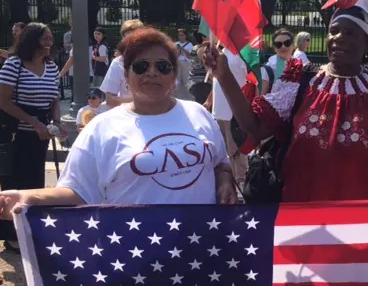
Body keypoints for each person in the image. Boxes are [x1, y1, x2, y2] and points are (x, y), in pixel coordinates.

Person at [0, 28, 236, 227]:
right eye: (141, 66)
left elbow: (220, 163)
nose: (152, 72)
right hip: (133, 255)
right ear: (126, 74)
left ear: (174, 75)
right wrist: (26, 197)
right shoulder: (101, 129)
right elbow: (77, 193)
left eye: (163, 66)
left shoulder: (199, 113)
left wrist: (225, 180)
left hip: (201, 250)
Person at [208, 0, 368, 203]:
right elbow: (255, 128)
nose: (338, 37)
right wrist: (224, 75)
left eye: (350, 33)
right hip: (308, 227)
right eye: (333, 31)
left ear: (367, 44)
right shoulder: (300, 80)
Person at [0, 23, 65, 253]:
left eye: (50, 38)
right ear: (31, 40)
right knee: (14, 182)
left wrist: (56, 123)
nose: (49, 43)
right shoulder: (13, 65)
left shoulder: (51, 66)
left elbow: (55, 99)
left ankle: (30, 228)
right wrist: (33, 122)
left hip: (40, 135)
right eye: (44, 38)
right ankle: (10, 234)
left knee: (35, 181)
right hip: (17, 133)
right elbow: (4, 101)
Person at [205, 44, 249, 189]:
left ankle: (241, 180)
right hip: (219, 110)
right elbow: (216, 81)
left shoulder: (244, 52)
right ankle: (229, 179)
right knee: (223, 150)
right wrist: (209, 100)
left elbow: (252, 80)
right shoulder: (221, 51)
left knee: (235, 148)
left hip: (234, 110)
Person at [101, 19, 145, 107]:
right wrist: (143, 101)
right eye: (127, 39)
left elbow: (169, 92)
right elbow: (110, 100)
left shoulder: (156, 60)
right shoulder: (117, 63)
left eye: (136, 38)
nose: (132, 43)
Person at [260, 29, 295, 94]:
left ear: (293, 45)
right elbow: (259, 98)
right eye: (278, 44)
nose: (283, 46)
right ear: (274, 48)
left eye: (287, 43)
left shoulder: (299, 65)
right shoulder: (268, 69)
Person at [187, 30, 211, 104]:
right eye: (208, 36)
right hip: (203, 82)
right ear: (203, 37)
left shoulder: (195, 47)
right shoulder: (203, 49)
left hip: (194, 82)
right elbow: (206, 66)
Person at [175, 29, 194, 100]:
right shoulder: (175, 43)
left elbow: (190, 56)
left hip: (186, 63)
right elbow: (173, 56)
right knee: (177, 82)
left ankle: (188, 98)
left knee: (186, 81)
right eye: (179, 35)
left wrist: (182, 49)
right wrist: (178, 51)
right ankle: (178, 98)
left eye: (182, 35)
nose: (180, 37)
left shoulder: (189, 44)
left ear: (185, 36)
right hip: (177, 63)